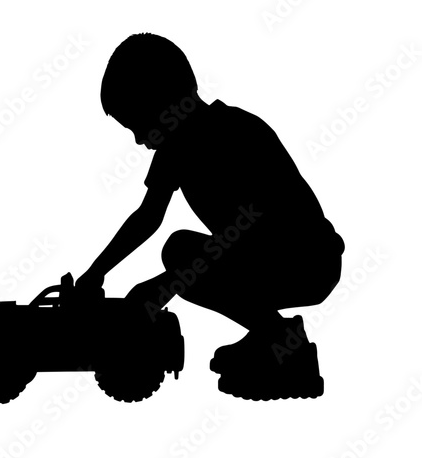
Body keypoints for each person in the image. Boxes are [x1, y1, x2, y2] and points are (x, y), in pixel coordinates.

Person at [76, 33, 345, 399]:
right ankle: (272, 335)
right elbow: (147, 217)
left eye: (138, 123)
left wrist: (165, 284)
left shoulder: (234, 132)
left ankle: (286, 348)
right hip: (264, 259)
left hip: (307, 261)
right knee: (182, 257)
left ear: (163, 100)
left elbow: (253, 229)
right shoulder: (174, 151)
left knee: (180, 252)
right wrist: (97, 271)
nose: (139, 139)